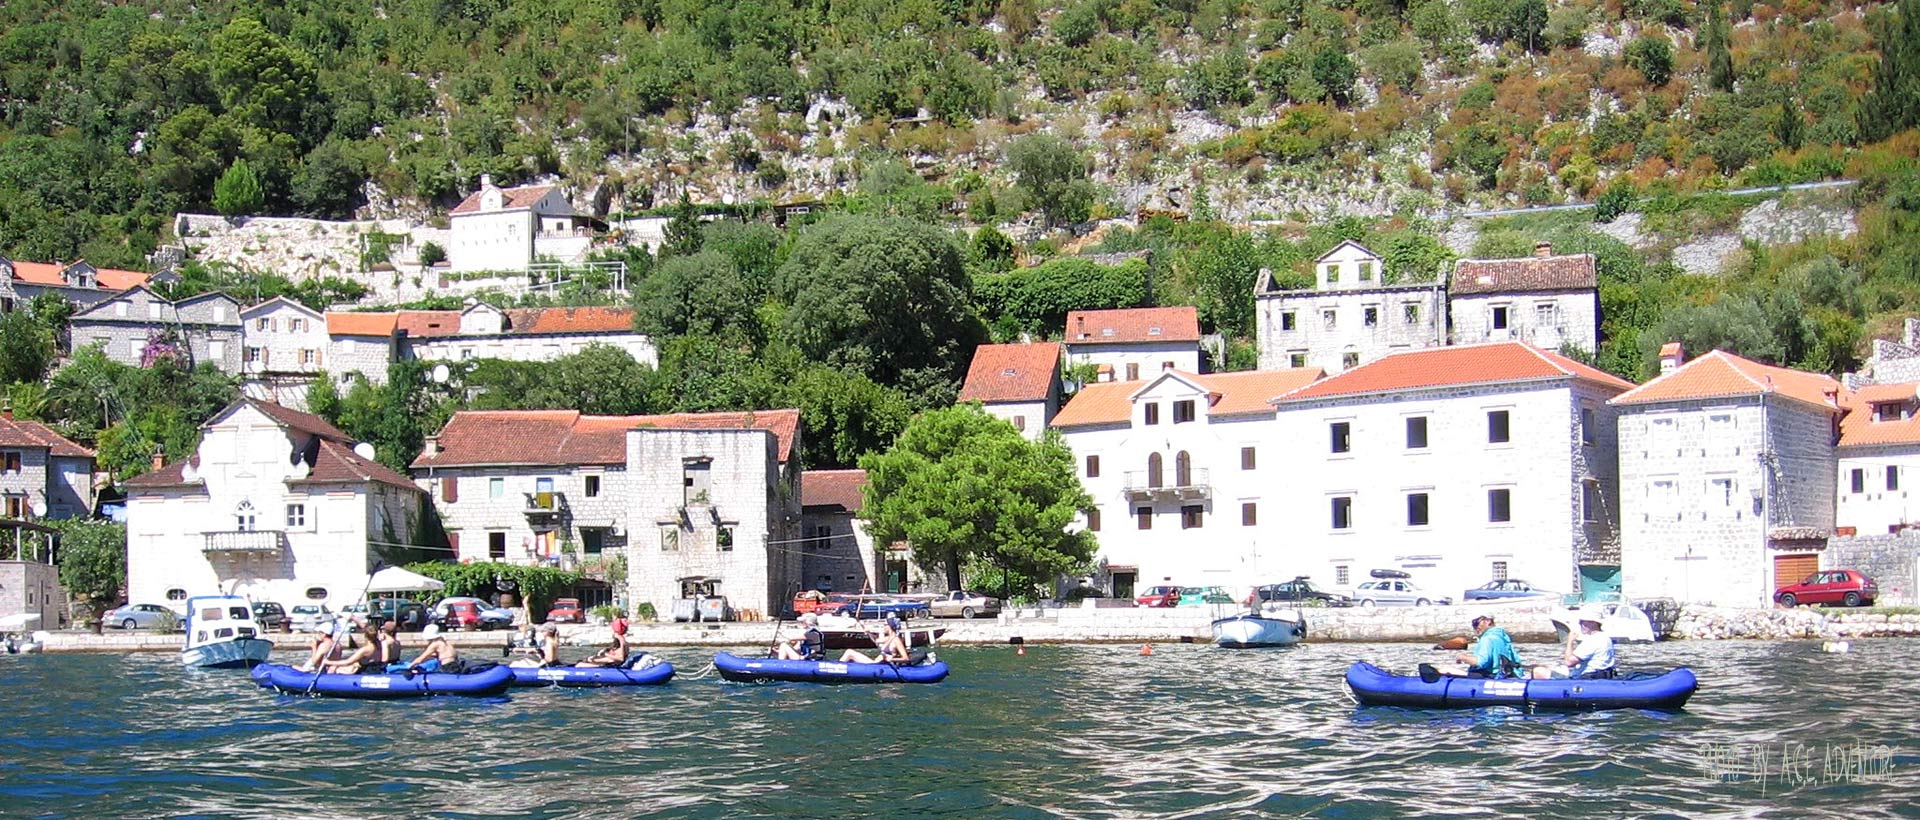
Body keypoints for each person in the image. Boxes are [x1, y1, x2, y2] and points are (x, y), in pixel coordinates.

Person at [1534, 616, 1616, 680]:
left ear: (1593, 623)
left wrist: (1570, 641)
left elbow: (1569, 662)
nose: (1580, 625)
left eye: (1582, 622)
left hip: (1583, 679)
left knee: (1538, 671)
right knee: (1551, 668)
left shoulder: (1592, 641)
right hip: (1598, 675)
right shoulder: (1605, 638)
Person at [1443, 615, 1523, 678]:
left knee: (1445, 670)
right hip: (1505, 675)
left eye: (1476, 623)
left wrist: (1462, 657)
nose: (1475, 628)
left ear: (1488, 621)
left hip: (1490, 676)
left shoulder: (1487, 639)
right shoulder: (1503, 637)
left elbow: (1481, 662)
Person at [839, 613, 909, 664]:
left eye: (885, 625)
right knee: (849, 651)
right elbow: (876, 641)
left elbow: (906, 658)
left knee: (849, 652)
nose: (883, 627)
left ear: (889, 627)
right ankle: (838, 667)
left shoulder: (896, 640)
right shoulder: (888, 638)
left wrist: (892, 659)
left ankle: (838, 667)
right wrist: (869, 633)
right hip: (875, 663)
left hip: (877, 666)